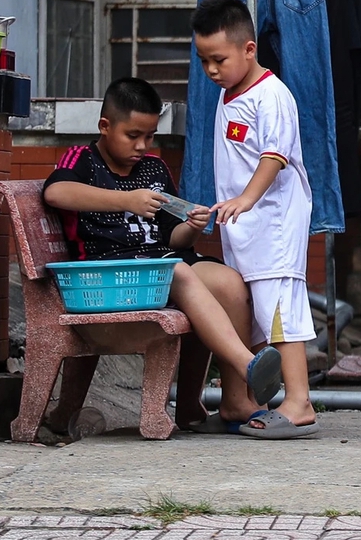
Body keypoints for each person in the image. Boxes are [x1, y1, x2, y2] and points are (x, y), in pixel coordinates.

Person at [41, 77, 279, 440]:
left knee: (229, 283)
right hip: (109, 273)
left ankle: (231, 401)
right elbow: (56, 192)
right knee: (180, 274)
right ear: (105, 126)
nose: (142, 145)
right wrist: (126, 200)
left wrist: (193, 226)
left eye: (149, 136)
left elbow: (172, 237)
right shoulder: (83, 159)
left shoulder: (154, 168)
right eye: (133, 135)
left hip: (161, 262)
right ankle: (248, 365)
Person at [192, 0, 319, 439]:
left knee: (280, 311)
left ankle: (299, 401)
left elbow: (274, 156)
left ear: (249, 49)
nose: (211, 70)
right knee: (254, 315)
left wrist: (246, 199)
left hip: (274, 227)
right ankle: (244, 403)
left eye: (219, 59)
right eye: (204, 60)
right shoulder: (230, 95)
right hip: (244, 232)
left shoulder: (272, 95)